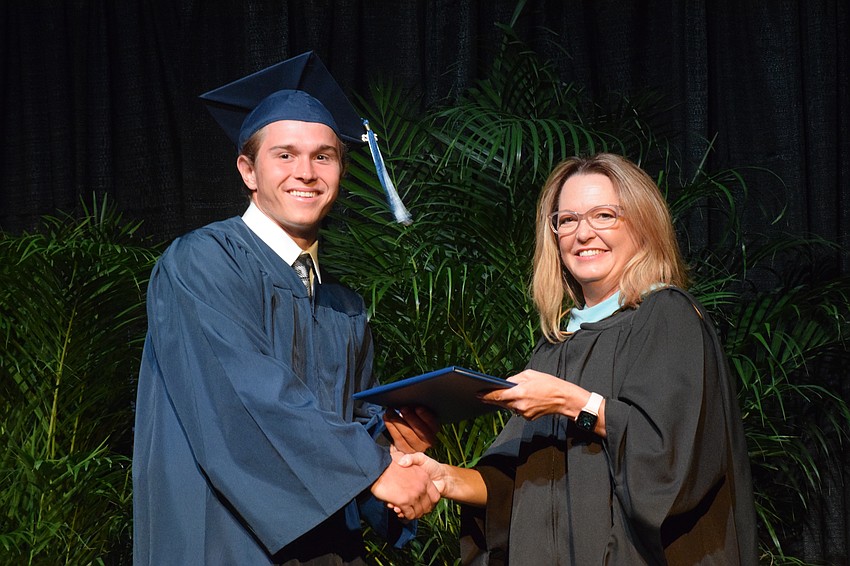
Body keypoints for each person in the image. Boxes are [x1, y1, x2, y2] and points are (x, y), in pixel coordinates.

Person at [132, 51, 440, 565]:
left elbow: (353, 420)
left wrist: (398, 450)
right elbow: (245, 396)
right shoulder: (203, 263)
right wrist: (373, 469)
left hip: (325, 548)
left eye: (324, 156)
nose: (307, 172)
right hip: (223, 538)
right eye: (285, 155)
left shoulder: (343, 305)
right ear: (248, 170)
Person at [397, 153, 759, 564]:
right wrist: (445, 478)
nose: (582, 233)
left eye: (604, 215)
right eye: (567, 220)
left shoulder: (667, 317)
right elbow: (515, 485)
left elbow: (672, 464)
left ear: (643, 223)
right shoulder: (555, 347)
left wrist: (573, 403)